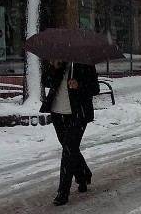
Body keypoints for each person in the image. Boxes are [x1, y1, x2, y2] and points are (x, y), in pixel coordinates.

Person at [40, 60, 100, 206]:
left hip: (78, 114)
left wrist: (79, 85)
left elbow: (95, 88)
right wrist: (54, 68)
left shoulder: (85, 64)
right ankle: (83, 174)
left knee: (68, 151)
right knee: (70, 149)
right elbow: (46, 82)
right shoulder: (58, 63)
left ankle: (63, 192)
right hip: (57, 113)